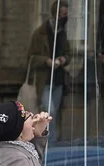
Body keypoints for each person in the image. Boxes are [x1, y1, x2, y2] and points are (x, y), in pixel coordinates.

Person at [26, 0, 71, 142]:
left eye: (66, 15)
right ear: (55, 14)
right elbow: (31, 58)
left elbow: (69, 54)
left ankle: (50, 143)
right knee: (49, 111)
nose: (64, 18)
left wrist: (64, 59)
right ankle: (47, 143)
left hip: (58, 79)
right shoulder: (40, 33)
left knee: (54, 114)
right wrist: (46, 61)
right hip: (44, 80)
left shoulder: (63, 33)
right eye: (62, 15)